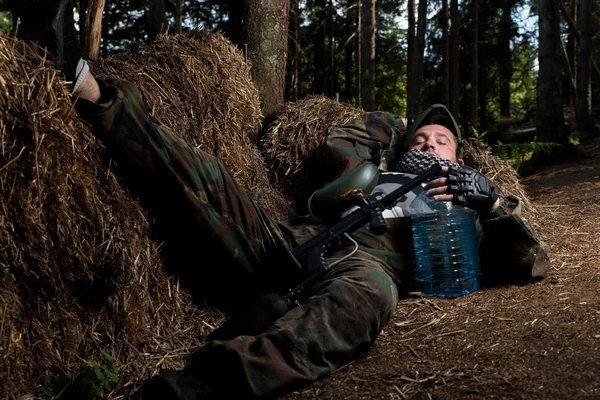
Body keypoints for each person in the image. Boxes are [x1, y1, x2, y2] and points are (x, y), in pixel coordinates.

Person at [12, 1, 550, 399]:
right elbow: (336, 146)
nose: (430, 146)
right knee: (210, 178)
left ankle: (191, 388)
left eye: (442, 142)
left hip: (368, 268)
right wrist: (395, 133)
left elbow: (530, 265)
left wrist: (490, 205)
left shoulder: (465, 202)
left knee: (359, 309)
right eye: (422, 140)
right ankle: (98, 98)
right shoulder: (375, 166)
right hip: (294, 241)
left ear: (460, 158)